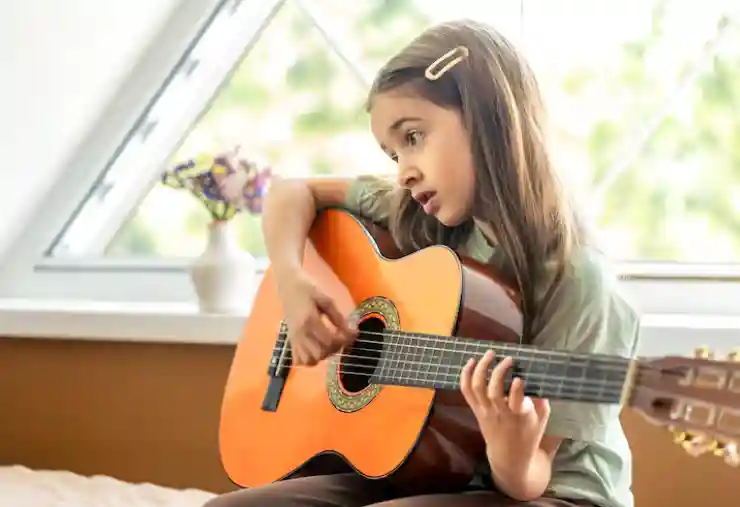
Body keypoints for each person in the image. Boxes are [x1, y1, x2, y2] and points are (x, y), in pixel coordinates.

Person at [205, 18, 640, 507]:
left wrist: (510, 447)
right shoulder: (424, 219)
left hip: (556, 495)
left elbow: (527, 480)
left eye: (412, 137)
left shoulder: (578, 279)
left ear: (487, 116)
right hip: (440, 471)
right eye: (394, 155)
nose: (404, 173)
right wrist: (292, 282)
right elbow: (291, 192)